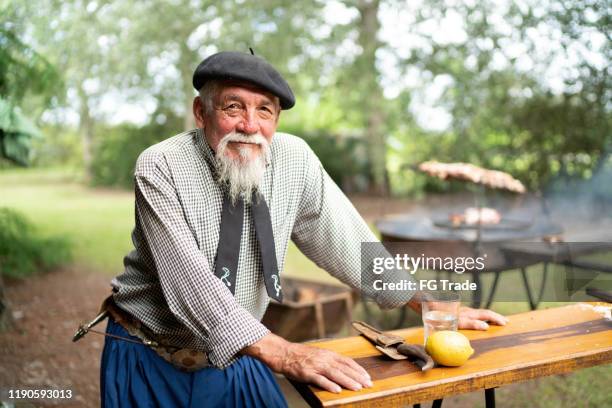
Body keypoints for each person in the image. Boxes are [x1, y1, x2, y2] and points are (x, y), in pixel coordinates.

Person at [100, 51, 507, 407]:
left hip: (243, 356)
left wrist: (426, 304)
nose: (250, 125)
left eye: (265, 110)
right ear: (201, 112)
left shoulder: (295, 160)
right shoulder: (161, 166)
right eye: (233, 107)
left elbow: (350, 241)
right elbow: (191, 286)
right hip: (151, 357)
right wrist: (287, 355)